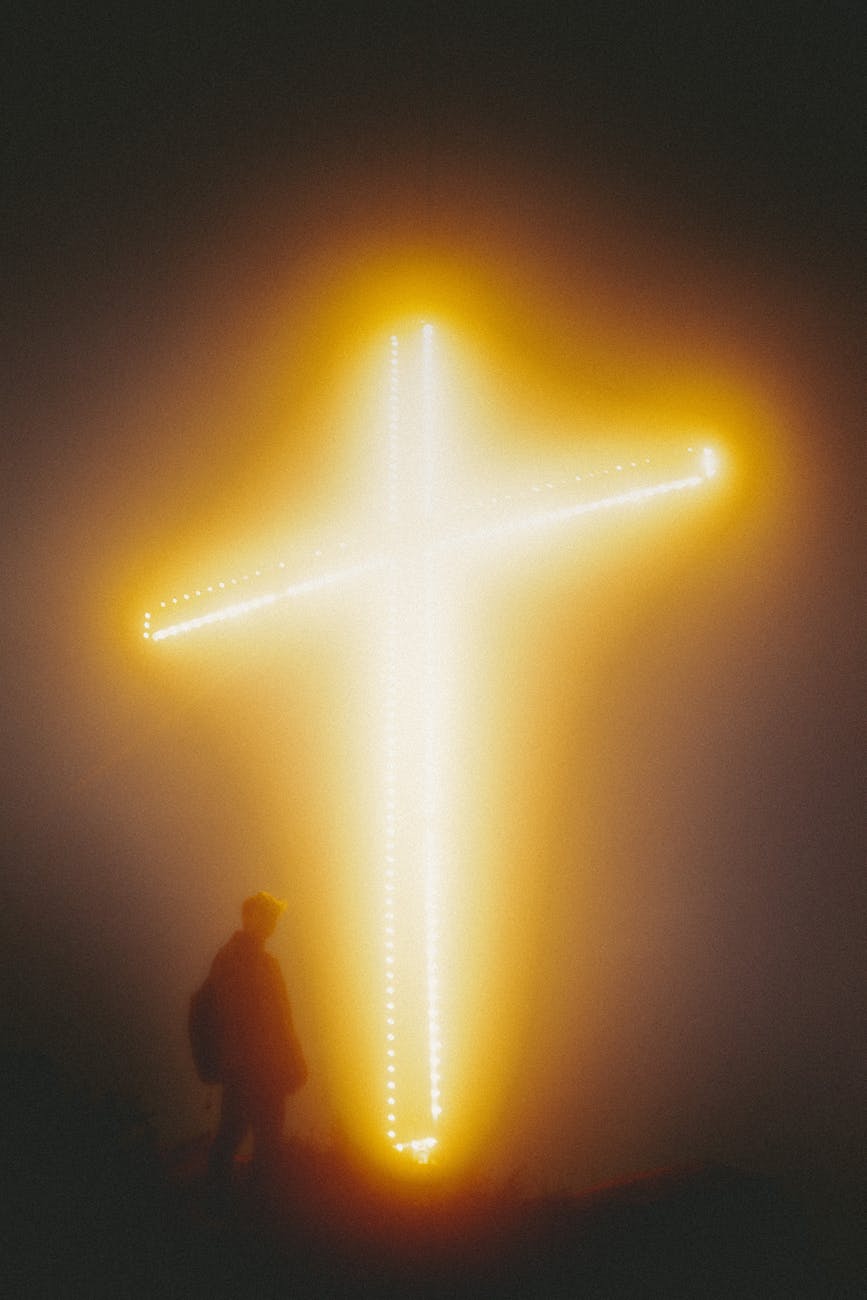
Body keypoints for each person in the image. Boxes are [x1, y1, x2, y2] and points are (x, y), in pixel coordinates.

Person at [205, 891, 307, 1184]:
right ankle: (233, 1197)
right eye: (266, 916)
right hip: (248, 1066)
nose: (271, 923)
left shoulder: (258, 962)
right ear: (248, 917)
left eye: (273, 917)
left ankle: (237, 1197)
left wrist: (292, 1059)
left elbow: (281, 1019)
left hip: (260, 1067)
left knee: (257, 1136)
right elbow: (261, 1018)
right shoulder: (236, 961)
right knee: (242, 1133)